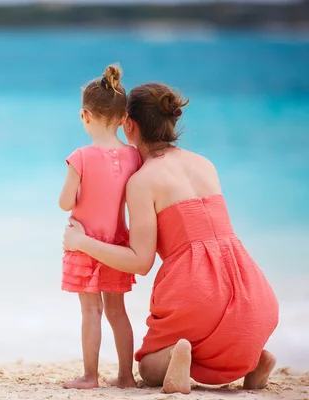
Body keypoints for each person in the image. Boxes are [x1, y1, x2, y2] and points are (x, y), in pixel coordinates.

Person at [62, 82, 279, 394]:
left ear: (128, 123)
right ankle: (253, 361)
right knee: (214, 331)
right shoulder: (205, 164)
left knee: (149, 368)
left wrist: (83, 243)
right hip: (251, 289)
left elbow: (140, 262)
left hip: (198, 288)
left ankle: (179, 365)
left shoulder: (143, 180)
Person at [60, 64, 141, 390]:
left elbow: (66, 202)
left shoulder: (80, 157)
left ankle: (90, 376)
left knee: (90, 312)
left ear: (85, 116)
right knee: (117, 312)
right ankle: (125, 376)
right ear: (123, 118)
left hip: (84, 244)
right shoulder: (134, 156)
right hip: (117, 245)